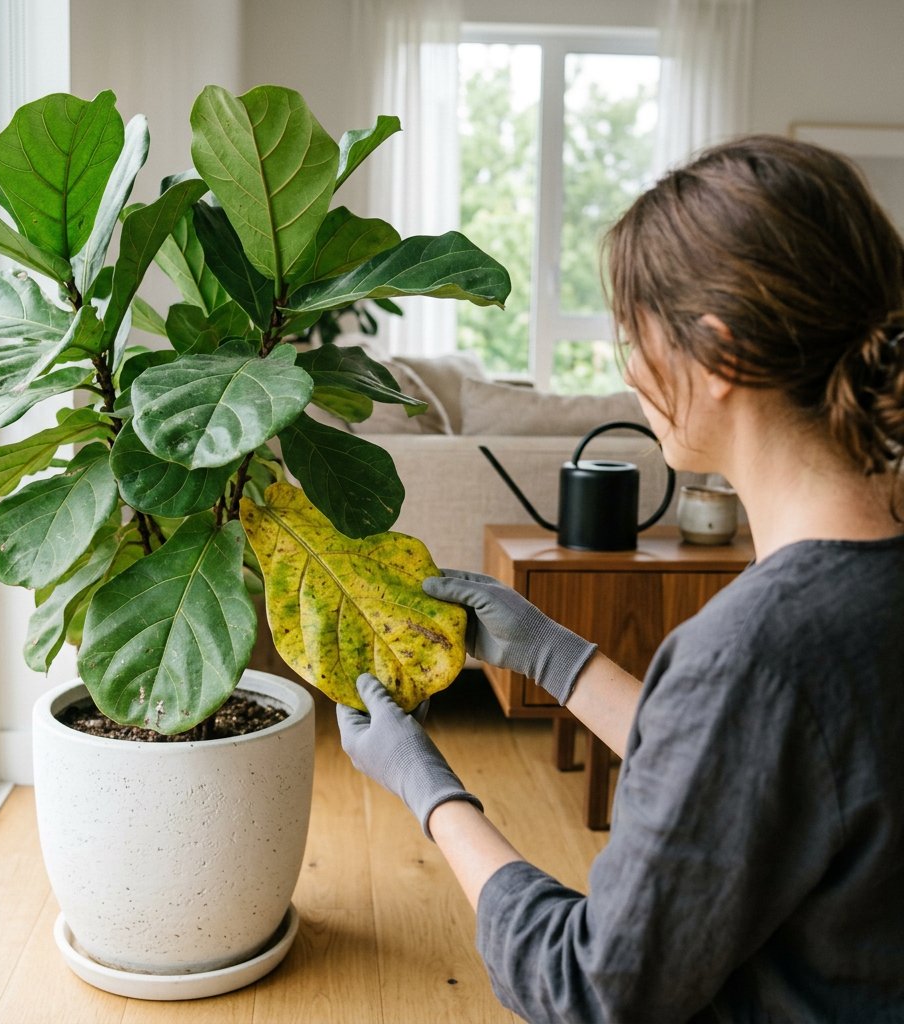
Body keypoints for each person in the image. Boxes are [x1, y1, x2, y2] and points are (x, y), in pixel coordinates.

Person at [336, 134, 904, 1023]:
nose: (628, 370)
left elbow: (592, 990)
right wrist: (552, 656)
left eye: (631, 337)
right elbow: (755, 772)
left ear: (717, 358)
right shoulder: (835, 618)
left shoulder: (758, 651)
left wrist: (429, 790)